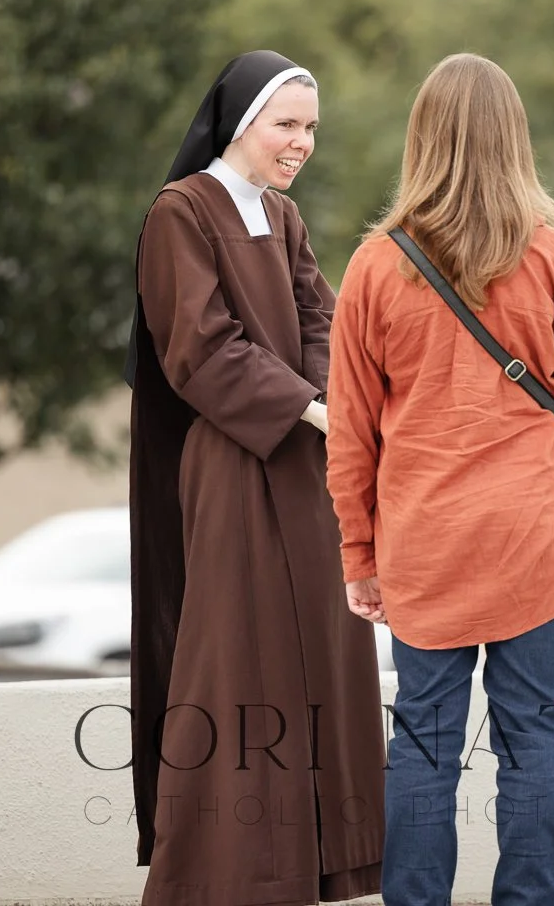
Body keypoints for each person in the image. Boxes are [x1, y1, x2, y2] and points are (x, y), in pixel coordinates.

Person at [324, 52, 554, 906]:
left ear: (422, 139)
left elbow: (350, 434)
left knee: (423, 744)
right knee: (531, 742)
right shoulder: (550, 255)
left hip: (426, 542)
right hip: (533, 538)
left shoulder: (375, 267)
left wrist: (359, 552)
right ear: (512, 141)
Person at [127, 50, 385, 906]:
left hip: (304, 468)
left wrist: (330, 397)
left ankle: (314, 862)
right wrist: (313, 411)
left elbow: (324, 321)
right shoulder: (183, 211)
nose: (302, 142)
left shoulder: (284, 215)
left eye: (311, 127)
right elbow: (197, 350)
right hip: (234, 465)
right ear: (241, 122)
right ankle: (226, 874)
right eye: (288, 124)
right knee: (239, 659)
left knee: (319, 651)